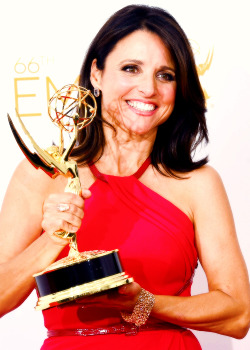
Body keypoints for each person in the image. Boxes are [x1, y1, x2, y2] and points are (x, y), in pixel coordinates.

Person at [0, 4, 249, 350]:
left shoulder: (199, 184)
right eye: (131, 69)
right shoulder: (43, 174)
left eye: (166, 75)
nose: (148, 88)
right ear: (97, 74)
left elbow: (238, 314)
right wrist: (52, 238)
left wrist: (144, 304)